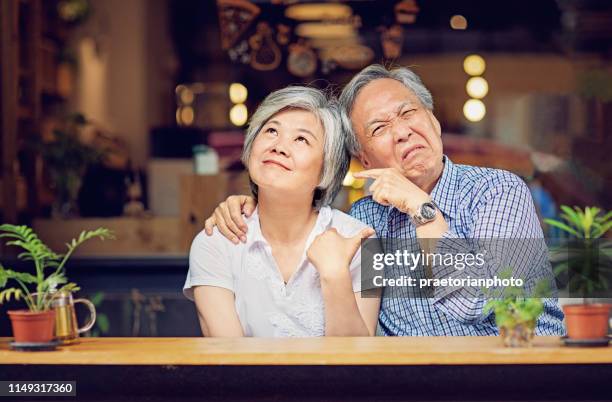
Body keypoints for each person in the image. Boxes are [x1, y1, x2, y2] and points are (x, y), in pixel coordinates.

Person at [203, 65, 566, 336]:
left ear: (434, 121)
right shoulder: (365, 221)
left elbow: (476, 302)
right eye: (379, 128)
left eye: (409, 113)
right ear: (365, 159)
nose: (403, 132)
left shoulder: (497, 192)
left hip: (512, 380)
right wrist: (255, 204)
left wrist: (421, 208)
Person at [183, 86, 381, 337]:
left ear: (326, 169)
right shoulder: (214, 243)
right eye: (271, 131)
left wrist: (335, 275)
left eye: (301, 139)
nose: (278, 146)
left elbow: (359, 362)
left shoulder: (364, 241)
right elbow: (228, 362)